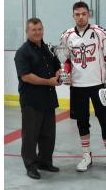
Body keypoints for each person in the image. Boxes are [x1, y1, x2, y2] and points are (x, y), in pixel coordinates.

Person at [60, 1, 106, 175]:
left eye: (83, 14)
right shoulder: (67, 35)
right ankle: (86, 156)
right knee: (82, 123)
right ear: (73, 16)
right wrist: (65, 72)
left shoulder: (101, 33)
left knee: (104, 121)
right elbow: (65, 60)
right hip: (78, 87)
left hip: (98, 86)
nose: (81, 17)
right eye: (77, 14)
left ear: (88, 14)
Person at [14, 18, 61, 179]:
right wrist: (49, 81)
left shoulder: (47, 49)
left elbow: (56, 66)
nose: (37, 32)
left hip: (48, 98)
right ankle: (31, 165)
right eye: (34, 30)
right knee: (30, 135)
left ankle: (45, 161)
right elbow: (26, 76)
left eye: (40, 29)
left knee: (48, 134)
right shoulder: (22, 52)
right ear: (27, 31)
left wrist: (59, 74)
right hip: (31, 100)